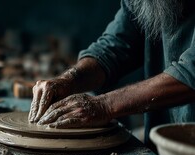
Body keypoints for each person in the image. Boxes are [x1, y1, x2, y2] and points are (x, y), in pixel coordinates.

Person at [28, 0, 195, 147]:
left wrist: (103, 106)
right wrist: (69, 80)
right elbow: (115, 45)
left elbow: (190, 72)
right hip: (164, 142)